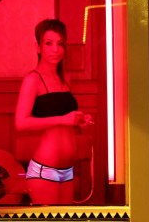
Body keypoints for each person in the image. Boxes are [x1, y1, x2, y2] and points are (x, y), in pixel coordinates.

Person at [15, 18, 92, 205]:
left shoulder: (66, 78)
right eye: (49, 43)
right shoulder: (33, 80)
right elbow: (21, 122)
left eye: (60, 44)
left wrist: (79, 120)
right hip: (44, 168)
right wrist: (63, 120)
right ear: (38, 47)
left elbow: (65, 120)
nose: (55, 49)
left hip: (67, 168)